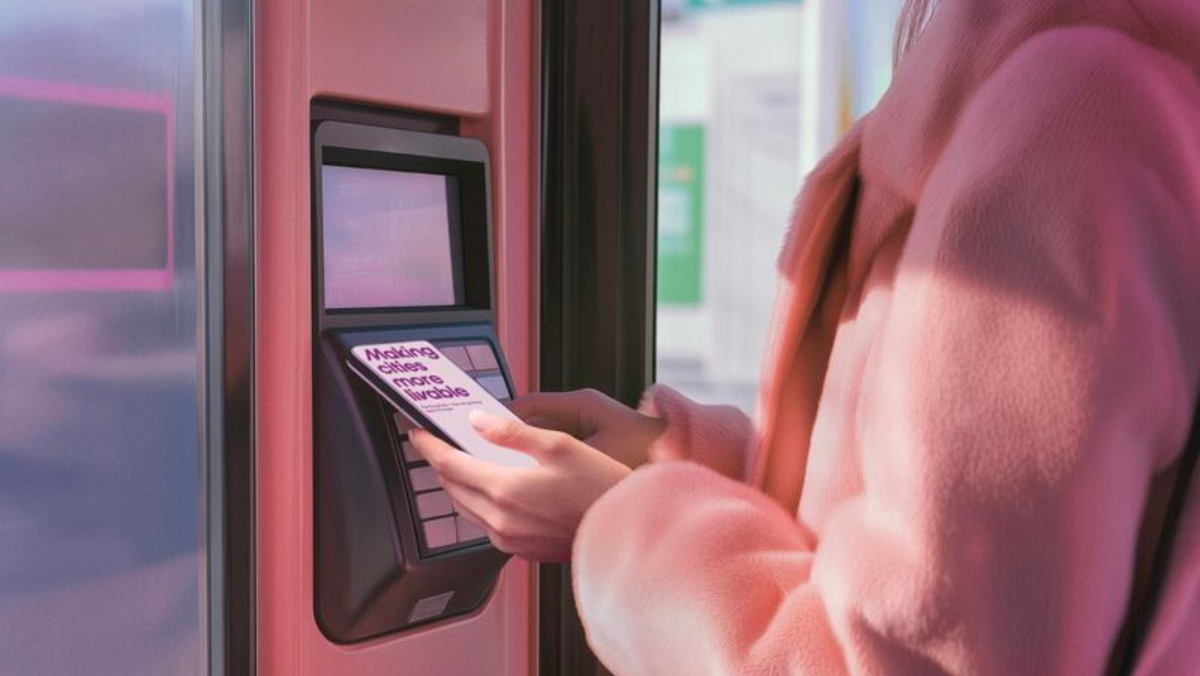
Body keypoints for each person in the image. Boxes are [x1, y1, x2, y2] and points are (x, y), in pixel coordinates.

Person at [410, 0, 1200, 672]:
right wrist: (667, 457)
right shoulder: (1085, 80)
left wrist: (616, 521)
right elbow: (962, 530)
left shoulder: (1066, 117)